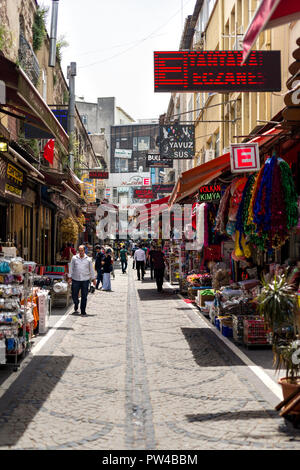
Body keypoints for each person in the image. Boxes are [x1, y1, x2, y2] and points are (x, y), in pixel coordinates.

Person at [68, 245, 96, 315]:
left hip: (85, 280)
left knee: (84, 296)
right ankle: (76, 303)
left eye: (82, 250)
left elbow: (91, 270)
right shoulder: (74, 258)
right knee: (74, 295)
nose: (80, 252)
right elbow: (71, 268)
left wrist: (93, 279)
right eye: (79, 250)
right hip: (75, 279)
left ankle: (83, 310)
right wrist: (69, 277)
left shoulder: (88, 259)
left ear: (84, 251)